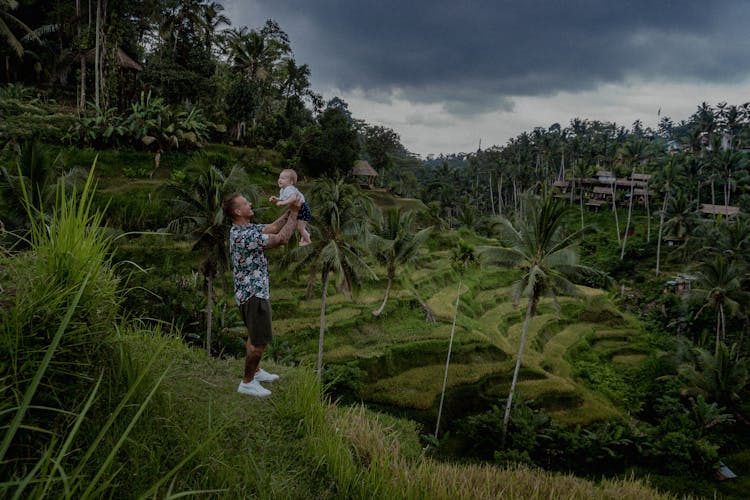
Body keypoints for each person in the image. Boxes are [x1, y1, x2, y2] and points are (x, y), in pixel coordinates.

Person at [223, 192, 300, 397]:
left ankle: (255, 373)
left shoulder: (245, 228)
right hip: (253, 293)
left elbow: (273, 227)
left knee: (256, 336)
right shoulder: (244, 235)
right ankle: (247, 382)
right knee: (259, 342)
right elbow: (281, 238)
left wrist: (290, 209)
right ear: (238, 211)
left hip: (253, 291)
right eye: (245, 203)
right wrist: (296, 214)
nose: (250, 203)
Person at [269, 168, 312, 246]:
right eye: (279, 177)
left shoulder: (289, 188)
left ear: (291, 182)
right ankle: (306, 236)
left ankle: (308, 240)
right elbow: (283, 198)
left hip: (303, 208)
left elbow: (293, 198)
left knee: (300, 228)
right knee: (300, 227)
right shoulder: (283, 190)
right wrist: (277, 199)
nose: (280, 180)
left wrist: (282, 203)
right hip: (300, 208)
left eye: (283, 178)